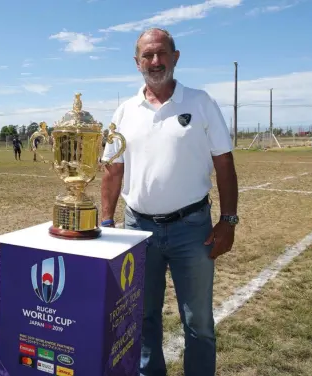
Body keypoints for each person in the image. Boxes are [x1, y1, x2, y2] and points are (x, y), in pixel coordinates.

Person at [100, 28, 239, 376]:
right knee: (143, 319)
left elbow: (224, 162)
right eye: (147, 55)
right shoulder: (124, 111)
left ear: (176, 57)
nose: (156, 61)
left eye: (162, 53)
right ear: (137, 63)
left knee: (198, 323)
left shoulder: (201, 102)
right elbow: (112, 171)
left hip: (193, 230)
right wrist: (105, 223)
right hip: (138, 231)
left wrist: (229, 220)